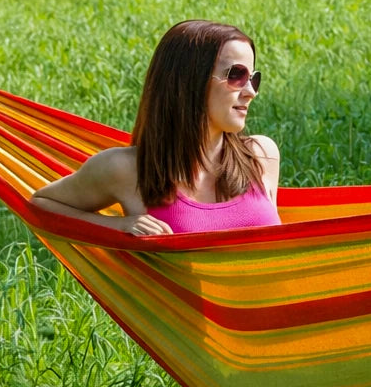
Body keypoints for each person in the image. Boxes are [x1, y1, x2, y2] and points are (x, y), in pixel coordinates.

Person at [29, 20, 281, 235]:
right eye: (236, 75)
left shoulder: (261, 155)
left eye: (253, 79)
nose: (251, 92)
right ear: (189, 81)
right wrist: (117, 226)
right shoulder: (128, 169)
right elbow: (42, 205)